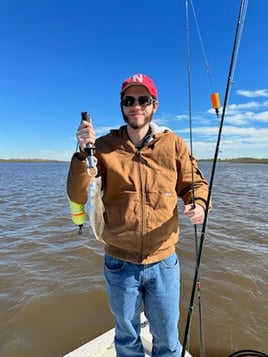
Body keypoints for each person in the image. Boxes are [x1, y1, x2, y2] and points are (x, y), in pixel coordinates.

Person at [67, 73, 210, 357]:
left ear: (154, 105)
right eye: (129, 100)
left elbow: (194, 184)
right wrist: (82, 154)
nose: (136, 106)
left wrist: (199, 204)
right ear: (122, 106)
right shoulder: (104, 147)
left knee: (168, 340)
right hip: (119, 263)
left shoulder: (174, 144)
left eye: (143, 100)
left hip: (164, 262)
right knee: (126, 337)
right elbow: (77, 195)